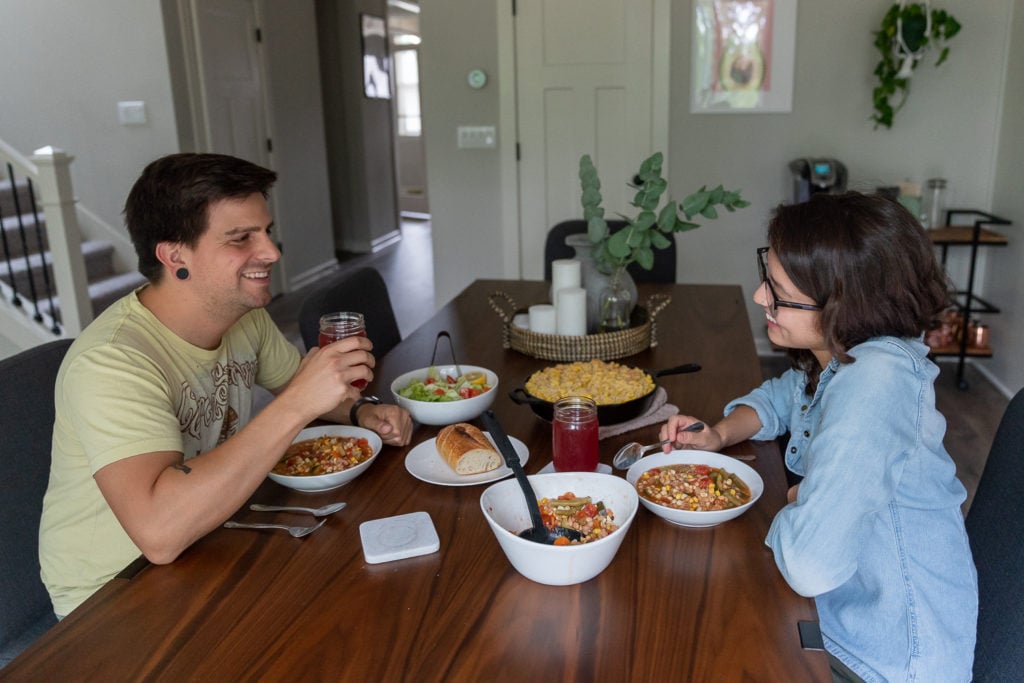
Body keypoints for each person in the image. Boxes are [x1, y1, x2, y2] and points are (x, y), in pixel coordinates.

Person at [39, 153, 413, 618]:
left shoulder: (242, 318)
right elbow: (158, 534)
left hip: (213, 534)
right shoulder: (113, 362)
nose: (272, 252)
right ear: (174, 255)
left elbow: (305, 387)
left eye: (266, 231)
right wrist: (298, 402)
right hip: (113, 597)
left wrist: (361, 412)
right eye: (242, 238)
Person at [658, 192, 977, 682]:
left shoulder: (875, 385)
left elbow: (808, 563)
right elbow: (786, 395)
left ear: (846, 303)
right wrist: (721, 433)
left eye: (779, 290)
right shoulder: (844, 355)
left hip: (886, 657)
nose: (762, 296)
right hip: (840, 615)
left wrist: (794, 499)